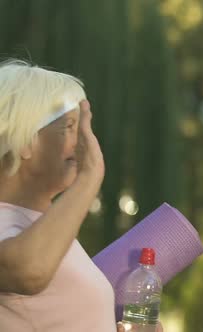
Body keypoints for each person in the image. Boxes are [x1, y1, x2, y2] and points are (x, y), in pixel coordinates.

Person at [0, 60, 163, 332]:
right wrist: (90, 176)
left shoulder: (43, 228)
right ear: (25, 139)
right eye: (71, 127)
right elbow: (28, 272)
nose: (84, 141)